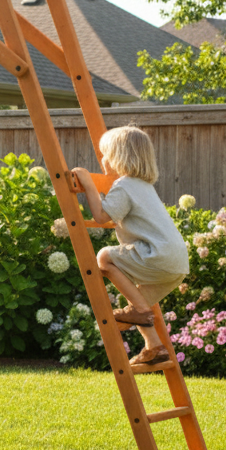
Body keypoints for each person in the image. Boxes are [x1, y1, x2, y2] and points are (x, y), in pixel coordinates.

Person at [73, 125, 188, 366]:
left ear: (119, 158)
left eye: (106, 154)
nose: (103, 160)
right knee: (134, 306)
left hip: (158, 255)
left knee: (104, 257)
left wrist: (89, 184)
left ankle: (141, 314)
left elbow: (101, 217)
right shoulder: (144, 186)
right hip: (176, 263)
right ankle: (154, 347)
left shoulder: (124, 185)